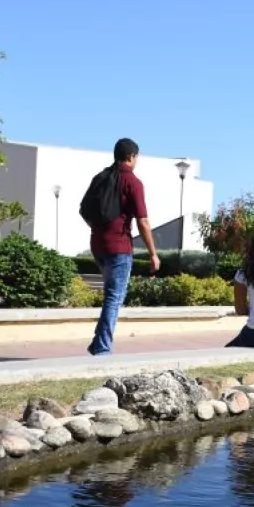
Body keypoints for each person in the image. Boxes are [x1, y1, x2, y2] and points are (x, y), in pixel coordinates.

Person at [87, 138, 158, 356]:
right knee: (114, 297)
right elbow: (143, 222)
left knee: (111, 295)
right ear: (132, 157)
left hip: (98, 245)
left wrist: (99, 230)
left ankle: (98, 342)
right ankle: (102, 347)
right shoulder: (132, 182)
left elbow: (85, 209)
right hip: (119, 246)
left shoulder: (100, 178)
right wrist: (153, 254)